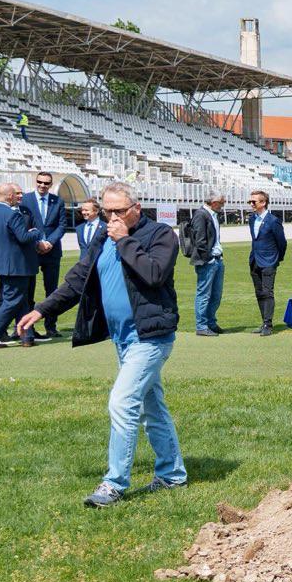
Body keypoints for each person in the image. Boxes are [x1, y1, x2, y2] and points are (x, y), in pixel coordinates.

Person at [22, 181, 185, 507]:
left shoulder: (161, 235)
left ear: (136, 208)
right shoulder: (102, 237)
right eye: (107, 211)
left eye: (119, 211)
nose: (112, 217)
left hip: (151, 339)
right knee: (154, 407)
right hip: (123, 339)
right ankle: (172, 475)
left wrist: (124, 240)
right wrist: (42, 308)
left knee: (122, 403)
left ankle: (114, 484)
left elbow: (153, 274)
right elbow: (77, 280)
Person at [21, 172, 66, 340]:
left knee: (52, 291)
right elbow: (22, 225)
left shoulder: (58, 201)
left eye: (46, 183)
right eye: (40, 182)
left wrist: (50, 243)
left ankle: (51, 326)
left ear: (51, 184)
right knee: (28, 291)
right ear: (36, 182)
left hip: (52, 252)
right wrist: (38, 243)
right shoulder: (25, 199)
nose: (42, 185)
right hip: (31, 251)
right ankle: (28, 327)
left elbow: (62, 225)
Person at [0, 183, 42, 348]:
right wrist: (35, 232)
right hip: (17, 265)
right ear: (9, 196)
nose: (19, 197)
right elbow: (23, 238)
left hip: (3, 264)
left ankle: (26, 336)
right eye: (16, 194)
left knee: (20, 300)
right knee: (11, 301)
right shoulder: (11, 214)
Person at [245, 190, 287, 337]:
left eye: (254, 202)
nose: (251, 204)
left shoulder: (273, 221)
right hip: (255, 260)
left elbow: (282, 243)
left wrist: (277, 259)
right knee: (259, 292)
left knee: (268, 292)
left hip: (269, 261)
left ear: (263, 203)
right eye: (250, 202)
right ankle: (264, 322)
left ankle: (268, 324)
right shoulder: (252, 219)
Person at [187, 193, 225, 336]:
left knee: (216, 294)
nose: (223, 205)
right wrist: (208, 258)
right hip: (208, 261)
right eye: (222, 202)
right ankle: (201, 326)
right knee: (204, 294)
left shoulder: (213, 215)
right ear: (214, 202)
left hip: (217, 259)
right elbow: (200, 240)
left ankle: (210, 322)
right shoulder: (201, 215)